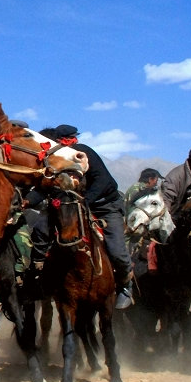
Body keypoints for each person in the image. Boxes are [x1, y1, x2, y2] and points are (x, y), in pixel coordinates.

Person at [29, 125, 136, 309]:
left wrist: (86, 200)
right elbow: (45, 187)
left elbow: (102, 181)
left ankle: (125, 284)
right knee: (42, 229)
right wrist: (26, 201)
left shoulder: (85, 153)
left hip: (104, 206)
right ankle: (38, 276)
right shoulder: (56, 161)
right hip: (74, 207)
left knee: (116, 249)